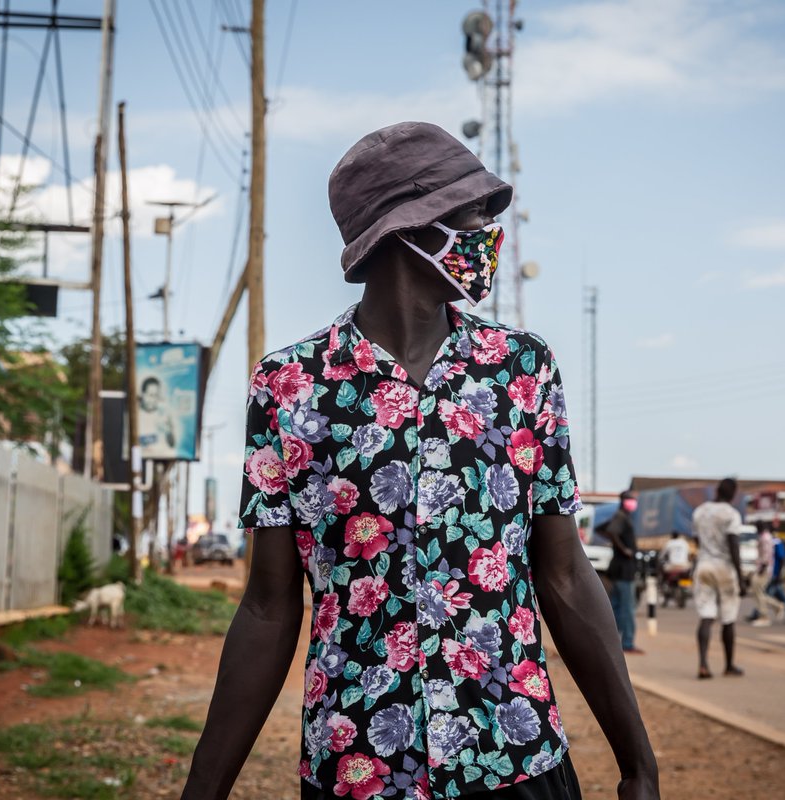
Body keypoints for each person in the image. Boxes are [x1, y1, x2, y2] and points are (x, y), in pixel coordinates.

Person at [181, 122, 658, 800]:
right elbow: (267, 605)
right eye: (472, 217)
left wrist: (638, 761)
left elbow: (564, 574)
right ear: (407, 230)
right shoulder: (290, 385)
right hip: (359, 767)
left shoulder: (521, 371)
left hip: (514, 758)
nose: (489, 235)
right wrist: (203, 788)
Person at [691, 478, 746, 679]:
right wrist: (741, 577)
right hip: (724, 568)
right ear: (733, 494)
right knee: (728, 619)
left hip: (704, 566)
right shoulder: (731, 514)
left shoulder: (700, 511)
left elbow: (697, 539)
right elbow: (734, 545)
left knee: (706, 616)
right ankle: (729, 665)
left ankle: (703, 664)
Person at [606, 492, 644, 654]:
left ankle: (610, 641)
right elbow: (612, 532)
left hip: (619, 569)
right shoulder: (621, 517)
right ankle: (627, 643)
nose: (633, 503)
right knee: (627, 608)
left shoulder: (623, 517)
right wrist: (625, 550)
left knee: (615, 607)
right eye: (631, 500)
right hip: (624, 570)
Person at [745, 521, 785, 627]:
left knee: (757, 592)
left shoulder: (766, 538)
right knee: (758, 593)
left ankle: (765, 616)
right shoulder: (764, 537)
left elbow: (767, 556)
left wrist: (761, 569)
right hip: (761, 569)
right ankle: (777, 606)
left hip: (763, 570)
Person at [138, 376, 177, 458]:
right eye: (150, 395)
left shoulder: (164, 415)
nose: (153, 400)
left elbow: (173, 444)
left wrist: (169, 432)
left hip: (163, 458)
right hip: (142, 460)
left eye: (156, 396)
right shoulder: (135, 415)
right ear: (142, 394)